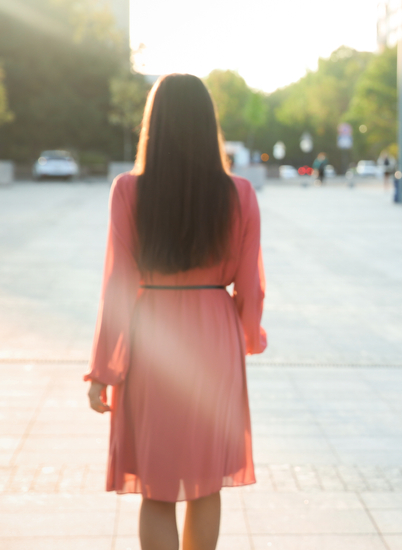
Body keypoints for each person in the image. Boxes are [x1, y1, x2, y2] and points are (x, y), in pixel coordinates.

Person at [85, 74, 266, 550]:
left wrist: (104, 369)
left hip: (152, 340)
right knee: (206, 485)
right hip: (213, 338)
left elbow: (116, 287)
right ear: (209, 127)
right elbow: (250, 285)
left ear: (154, 125)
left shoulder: (128, 191)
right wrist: (248, 337)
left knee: (157, 488)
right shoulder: (240, 194)